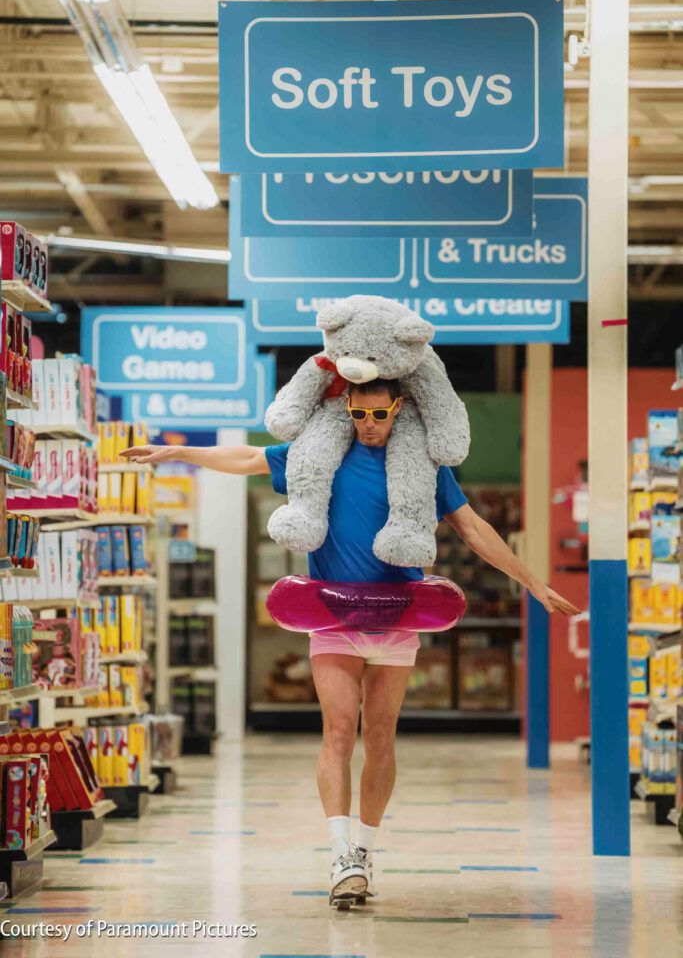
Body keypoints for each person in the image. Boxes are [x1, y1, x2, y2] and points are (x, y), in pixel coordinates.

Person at [122, 378, 580, 907]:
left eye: (379, 416)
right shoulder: (319, 454)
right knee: (339, 730)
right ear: (347, 408)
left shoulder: (423, 464)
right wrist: (179, 451)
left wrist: (533, 583)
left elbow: (473, 529)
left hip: (400, 616)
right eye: (360, 416)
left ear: (398, 407)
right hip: (332, 617)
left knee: (380, 735)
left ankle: (365, 848)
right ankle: (340, 854)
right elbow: (249, 456)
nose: (369, 426)